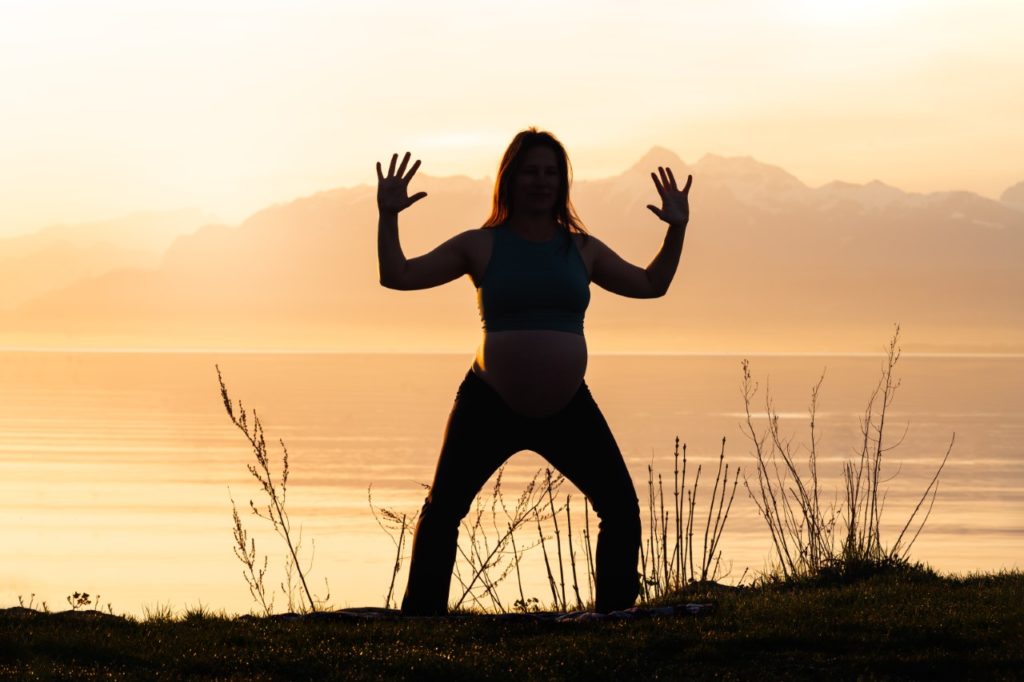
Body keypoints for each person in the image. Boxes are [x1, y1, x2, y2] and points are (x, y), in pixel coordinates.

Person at [376, 128, 692, 615]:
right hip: (489, 401)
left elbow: (652, 284)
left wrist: (677, 228)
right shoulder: (479, 246)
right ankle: (421, 621)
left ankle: (614, 618)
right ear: (510, 179)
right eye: (531, 172)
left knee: (621, 509)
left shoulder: (583, 250)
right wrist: (388, 217)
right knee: (443, 511)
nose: (541, 182)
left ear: (562, 184)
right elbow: (397, 276)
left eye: (551, 173)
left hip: (568, 406)